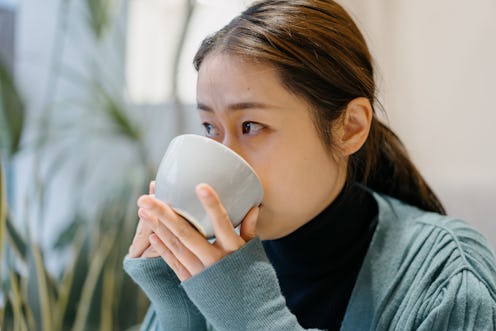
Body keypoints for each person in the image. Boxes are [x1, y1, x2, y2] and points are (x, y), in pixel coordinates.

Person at [123, 0, 496, 330]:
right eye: (210, 128)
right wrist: (178, 310)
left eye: (251, 126)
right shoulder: (213, 264)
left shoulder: (446, 279)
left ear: (350, 128)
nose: (224, 155)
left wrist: (254, 319)